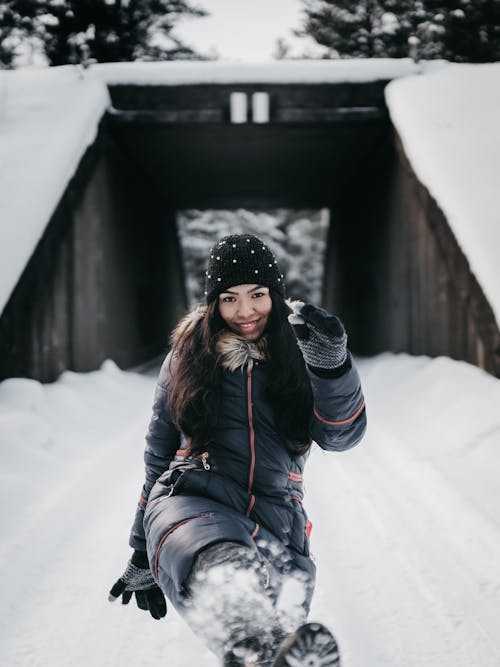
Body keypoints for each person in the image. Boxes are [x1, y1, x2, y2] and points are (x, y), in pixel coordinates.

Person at [109, 234, 366, 666]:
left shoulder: (301, 352)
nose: (245, 311)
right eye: (229, 298)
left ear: (276, 295)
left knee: (276, 635)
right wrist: (141, 549)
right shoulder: (187, 355)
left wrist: (332, 367)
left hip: (275, 513)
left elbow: (340, 435)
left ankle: (260, 652)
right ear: (213, 304)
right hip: (190, 499)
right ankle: (252, 643)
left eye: (258, 295)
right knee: (224, 562)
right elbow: (158, 455)